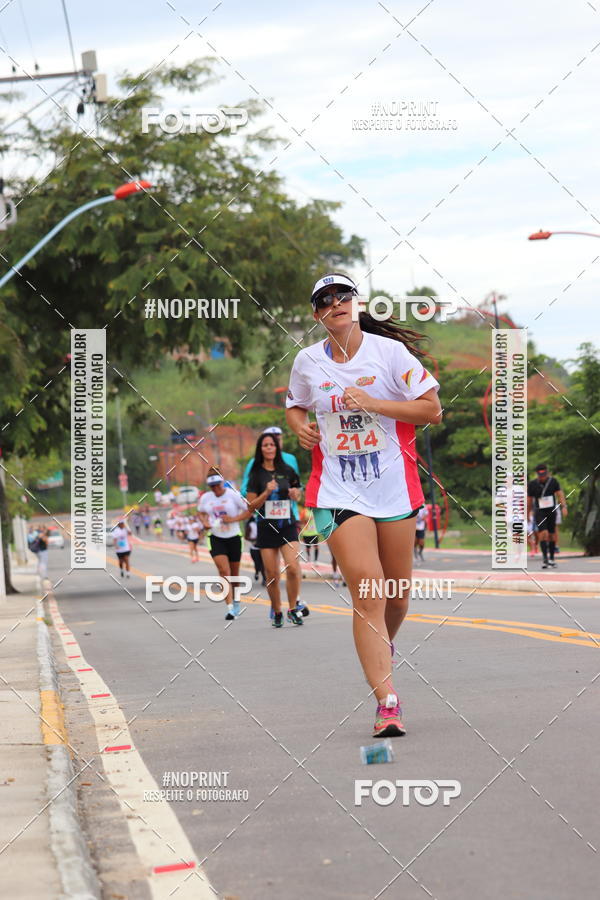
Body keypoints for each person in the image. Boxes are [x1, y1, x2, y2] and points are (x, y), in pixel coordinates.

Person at [285, 272, 441, 737]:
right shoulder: (308, 361)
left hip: (393, 490)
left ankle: (379, 653)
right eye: (325, 301)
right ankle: (387, 701)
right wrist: (298, 425)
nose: (335, 304)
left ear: (356, 304)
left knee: (396, 597)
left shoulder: (389, 354)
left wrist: (376, 403)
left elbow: (431, 410)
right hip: (337, 492)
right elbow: (296, 404)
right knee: (369, 592)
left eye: (343, 297)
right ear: (317, 315)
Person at [245, 433, 305, 627]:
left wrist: (296, 494)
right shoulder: (256, 474)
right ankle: (277, 610)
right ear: (260, 449)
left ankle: (293, 608)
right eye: (265, 445)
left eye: (272, 445)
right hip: (266, 527)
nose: (269, 448)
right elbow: (250, 506)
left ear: (276, 448)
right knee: (271, 574)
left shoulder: (287, 470)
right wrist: (266, 492)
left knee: (294, 568)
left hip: (287, 525)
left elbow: (298, 492)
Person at [198, 470, 250, 619]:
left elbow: (248, 511)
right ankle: (229, 608)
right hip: (215, 537)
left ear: (222, 482)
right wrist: (205, 522)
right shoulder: (206, 498)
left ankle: (237, 603)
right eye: (212, 486)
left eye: (217, 485)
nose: (215, 489)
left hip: (234, 537)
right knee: (224, 572)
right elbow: (200, 512)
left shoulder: (233, 495)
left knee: (234, 575)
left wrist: (233, 519)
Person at [527, 464, 567, 569]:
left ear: (547, 473)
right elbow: (529, 500)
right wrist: (527, 513)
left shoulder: (553, 481)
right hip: (539, 512)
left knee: (552, 534)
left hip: (551, 510)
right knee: (543, 533)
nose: (542, 477)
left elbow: (560, 494)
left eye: (544, 475)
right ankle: (545, 558)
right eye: (540, 475)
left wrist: (564, 506)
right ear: (537, 475)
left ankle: (552, 558)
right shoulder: (532, 484)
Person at [245, 515, 266, 585]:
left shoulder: (264, 524)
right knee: (257, 564)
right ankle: (257, 572)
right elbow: (246, 537)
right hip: (254, 548)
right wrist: (255, 540)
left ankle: (264, 579)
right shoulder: (250, 525)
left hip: (263, 547)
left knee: (263, 564)